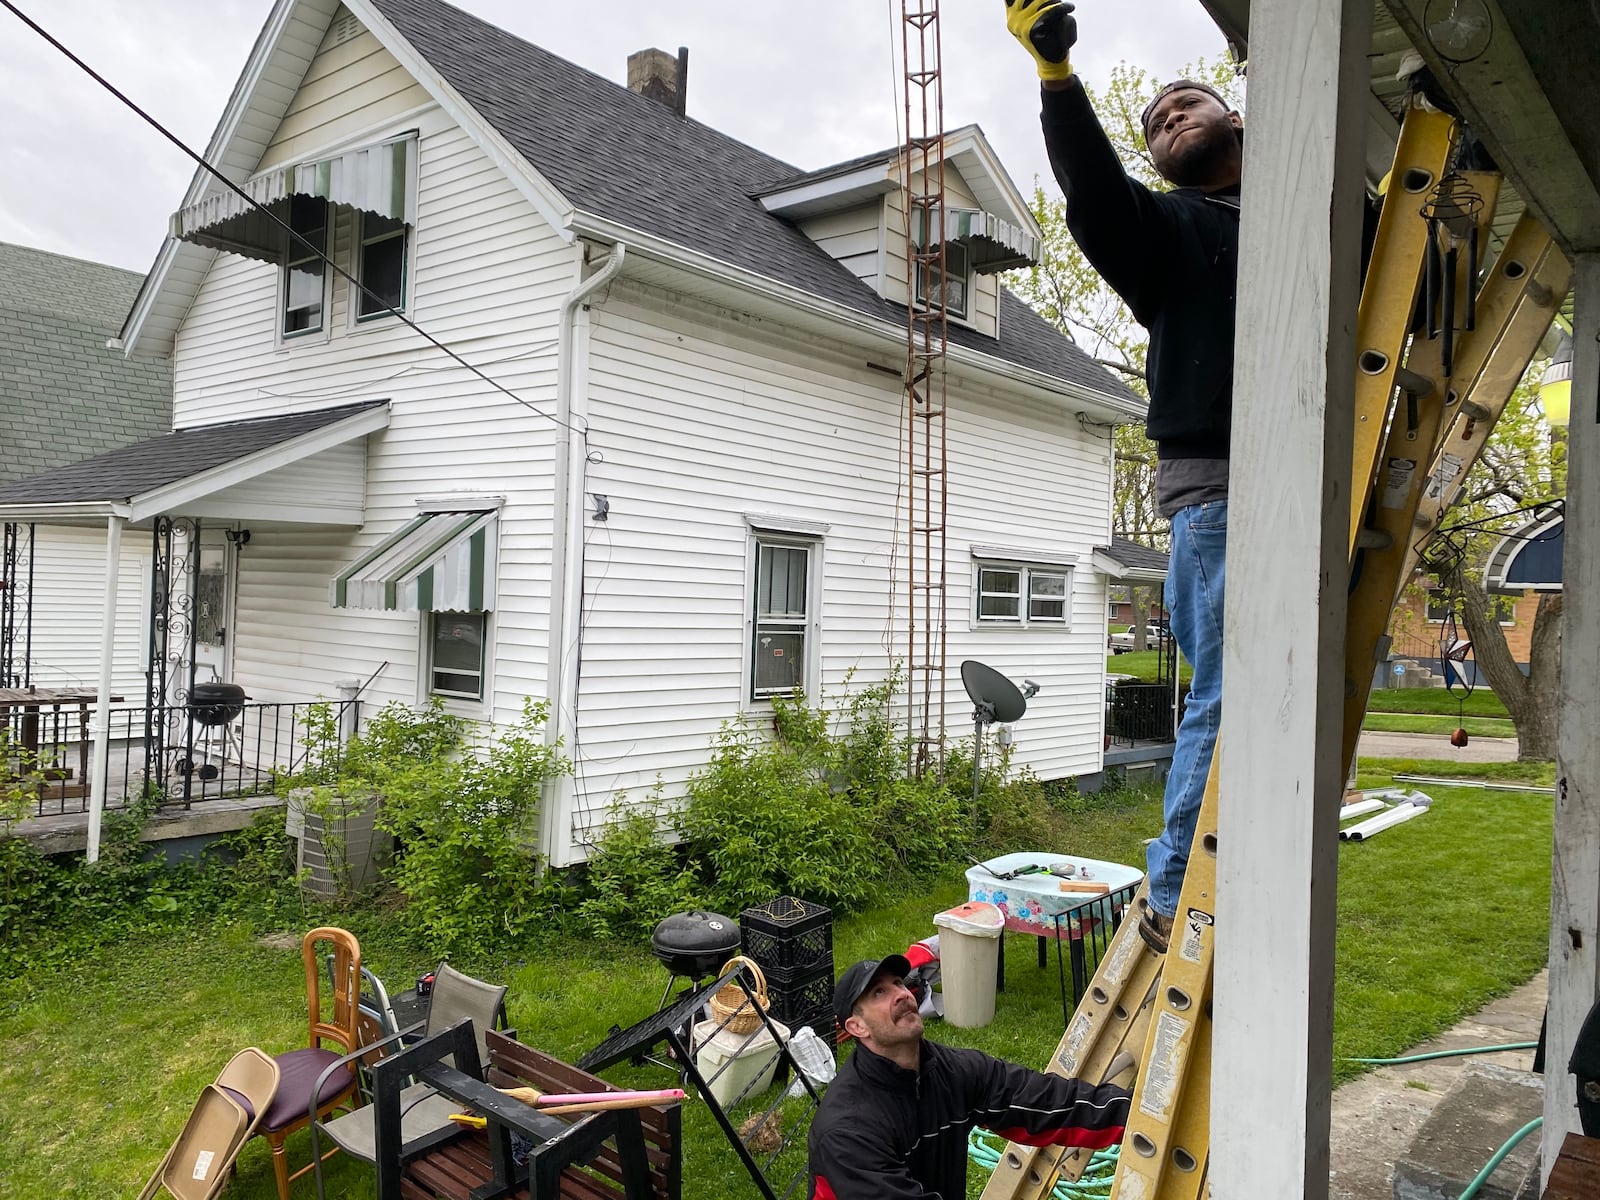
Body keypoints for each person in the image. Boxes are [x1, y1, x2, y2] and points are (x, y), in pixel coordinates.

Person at [1005, 0, 1243, 952]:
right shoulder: (1168, 233)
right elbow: (1097, 195)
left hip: (1316, 475)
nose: (1168, 115)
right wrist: (1056, 78)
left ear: (1239, 121)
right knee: (1226, 690)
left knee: (1273, 693)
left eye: (1187, 101)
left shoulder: (1308, 215)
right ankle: (1176, 884)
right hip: (1221, 489)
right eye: (1153, 123)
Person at [807, 956, 1130, 1199]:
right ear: (856, 1028)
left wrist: (1138, 1116)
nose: (901, 994)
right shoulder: (848, 1129)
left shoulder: (952, 1072)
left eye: (899, 984)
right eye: (879, 992)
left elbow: (1047, 1103)